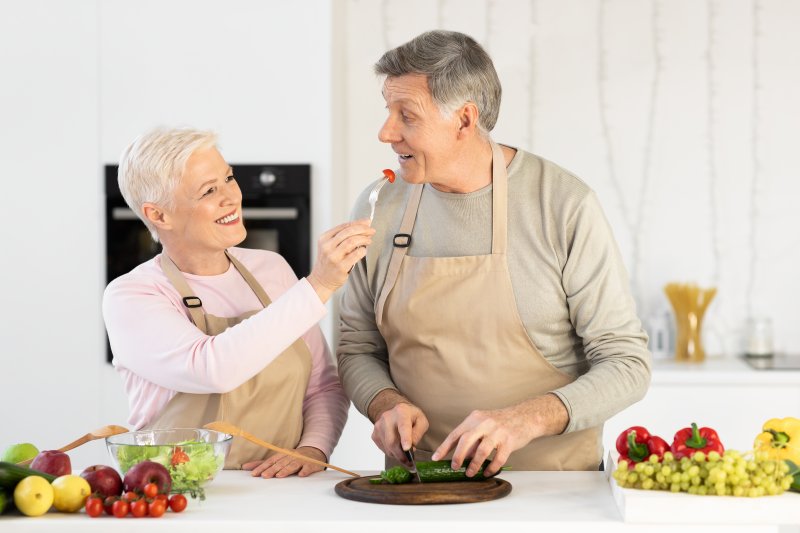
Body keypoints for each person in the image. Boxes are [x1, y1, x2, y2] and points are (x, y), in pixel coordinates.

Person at [337, 30, 652, 476]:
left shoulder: (561, 204)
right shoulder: (381, 204)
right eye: (388, 112)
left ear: (465, 120)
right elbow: (357, 348)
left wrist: (527, 418)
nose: (386, 132)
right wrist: (383, 402)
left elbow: (626, 362)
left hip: (552, 487)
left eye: (406, 115)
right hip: (419, 485)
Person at [103, 126, 375, 477]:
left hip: (282, 490)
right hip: (178, 495)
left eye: (229, 178)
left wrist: (313, 448)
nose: (231, 197)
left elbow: (322, 383)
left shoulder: (271, 269)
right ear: (159, 215)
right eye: (209, 191)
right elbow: (213, 369)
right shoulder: (133, 295)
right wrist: (320, 284)